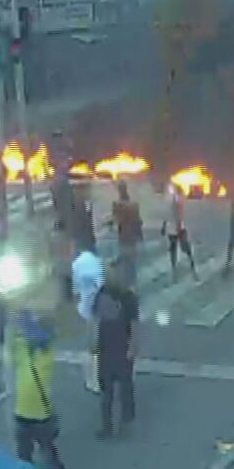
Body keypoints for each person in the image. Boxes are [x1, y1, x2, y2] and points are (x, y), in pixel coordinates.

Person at [8, 303, 67, 469]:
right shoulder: (21, 349)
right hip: (22, 413)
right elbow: (13, 334)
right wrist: (16, 312)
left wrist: (26, 320)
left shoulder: (46, 352)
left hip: (41, 414)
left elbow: (40, 335)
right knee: (24, 455)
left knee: (48, 453)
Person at [94, 257, 139, 438]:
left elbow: (135, 324)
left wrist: (133, 346)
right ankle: (107, 425)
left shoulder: (129, 298)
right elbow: (96, 320)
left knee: (125, 387)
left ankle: (127, 421)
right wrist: (93, 343)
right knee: (106, 391)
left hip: (122, 348)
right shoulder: (102, 293)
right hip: (105, 348)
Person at [70, 241, 105, 395]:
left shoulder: (77, 265)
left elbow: (75, 289)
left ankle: (92, 380)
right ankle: (97, 379)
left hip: (89, 309)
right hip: (102, 308)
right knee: (99, 345)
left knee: (92, 346)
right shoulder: (97, 262)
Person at [111, 180, 144, 286]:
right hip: (131, 236)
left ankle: (125, 284)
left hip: (123, 236)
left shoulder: (117, 204)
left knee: (124, 261)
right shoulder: (133, 204)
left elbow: (116, 220)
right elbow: (138, 221)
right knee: (130, 262)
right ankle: (131, 284)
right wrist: (140, 235)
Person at [164, 184, 197, 278]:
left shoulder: (171, 199)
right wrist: (178, 226)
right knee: (185, 248)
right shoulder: (177, 199)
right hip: (177, 227)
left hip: (172, 228)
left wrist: (164, 225)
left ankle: (175, 269)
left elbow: (168, 213)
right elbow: (177, 213)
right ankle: (192, 267)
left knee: (174, 249)